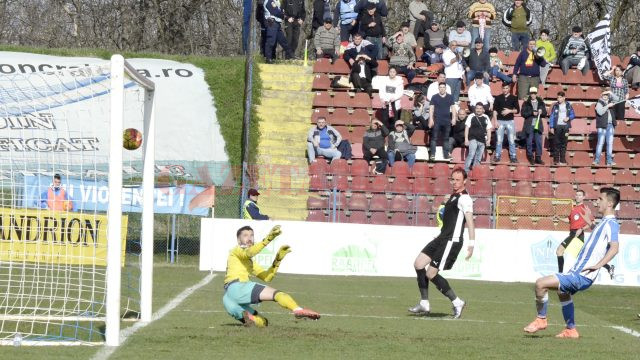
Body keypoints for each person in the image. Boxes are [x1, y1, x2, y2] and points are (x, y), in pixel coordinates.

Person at [523, 187, 620, 339]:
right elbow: (599, 237)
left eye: (600, 199)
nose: (597, 202)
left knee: (540, 284)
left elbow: (614, 248)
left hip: (582, 274)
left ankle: (541, 319)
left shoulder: (611, 223)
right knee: (563, 293)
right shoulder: (604, 223)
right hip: (578, 271)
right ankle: (571, 330)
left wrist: (599, 265)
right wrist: (590, 222)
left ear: (609, 203)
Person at [409, 168, 475, 318]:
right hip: (441, 238)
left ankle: (457, 302)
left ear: (465, 181)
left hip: (452, 240)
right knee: (419, 264)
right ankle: (424, 303)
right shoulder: (453, 196)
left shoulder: (465, 199)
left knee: (431, 273)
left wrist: (472, 244)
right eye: (453, 179)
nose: (455, 182)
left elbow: (470, 221)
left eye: (458, 180)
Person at [223, 225, 320, 327]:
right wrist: (268, 238)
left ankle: (250, 318)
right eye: (245, 235)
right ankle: (297, 309)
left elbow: (267, 277)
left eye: (252, 235)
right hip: (238, 288)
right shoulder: (237, 250)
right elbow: (249, 253)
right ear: (239, 240)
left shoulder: (248, 262)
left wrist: (277, 260)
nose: (249, 238)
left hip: (228, 298)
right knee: (277, 294)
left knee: (264, 323)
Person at [554, 189, 615, 279]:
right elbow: (569, 220)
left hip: (578, 234)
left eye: (579, 195)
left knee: (561, 251)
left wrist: (581, 229)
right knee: (565, 253)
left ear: (583, 197)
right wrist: (559, 218)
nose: (577, 196)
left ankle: (560, 274)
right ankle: (608, 267)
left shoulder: (584, 208)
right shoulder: (574, 208)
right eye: (576, 195)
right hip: (572, 234)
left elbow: (592, 221)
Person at [492, 82, 520, 163]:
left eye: (507, 88)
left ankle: (513, 156)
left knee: (511, 140)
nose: (505, 90)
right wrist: (495, 121)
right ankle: (497, 156)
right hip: (500, 121)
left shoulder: (514, 98)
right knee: (499, 140)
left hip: (510, 121)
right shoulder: (498, 98)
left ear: (509, 89)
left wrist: (509, 111)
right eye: (504, 88)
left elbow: (517, 110)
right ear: (502, 88)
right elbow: (495, 111)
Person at [429, 82, 456, 161]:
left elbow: (453, 108)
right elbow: (431, 109)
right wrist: (431, 119)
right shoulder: (434, 97)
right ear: (438, 88)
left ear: (445, 88)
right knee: (434, 138)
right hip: (437, 121)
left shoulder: (450, 97)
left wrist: (454, 118)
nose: (442, 88)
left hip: (447, 121)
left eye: (443, 87)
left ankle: (446, 155)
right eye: (440, 87)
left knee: (446, 139)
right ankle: (433, 154)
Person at [521, 86, 547, 165]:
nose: (533, 95)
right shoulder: (526, 103)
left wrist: (541, 112)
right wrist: (532, 113)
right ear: (529, 94)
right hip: (529, 125)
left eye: (534, 93)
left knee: (538, 142)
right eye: (531, 93)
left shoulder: (541, 102)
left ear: (536, 94)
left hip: (538, 125)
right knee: (529, 142)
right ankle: (530, 157)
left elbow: (545, 113)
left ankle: (538, 157)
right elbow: (523, 114)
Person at [548, 91, 575, 165]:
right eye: (558, 97)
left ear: (564, 98)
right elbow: (552, 116)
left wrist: (568, 118)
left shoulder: (568, 105)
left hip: (565, 127)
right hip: (557, 126)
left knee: (564, 144)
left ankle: (563, 160)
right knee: (556, 143)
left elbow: (573, 115)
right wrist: (551, 126)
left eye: (560, 97)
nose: (558, 99)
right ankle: (556, 160)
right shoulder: (555, 106)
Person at [464, 102, 492, 172]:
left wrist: (488, 140)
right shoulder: (471, 116)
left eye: (480, 108)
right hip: (473, 139)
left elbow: (488, 129)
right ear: (475, 109)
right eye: (477, 108)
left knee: (478, 158)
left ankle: (475, 171)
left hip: (482, 140)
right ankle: (466, 171)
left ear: (483, 110)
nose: (478, 110)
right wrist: (466, 139)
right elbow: (467, 128)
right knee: (471, 155)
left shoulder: (486, 117)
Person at [593, 90, 617, 166]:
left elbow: (617, 99)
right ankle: (597, 160)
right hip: (602, 126)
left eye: (607, 95)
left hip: (610, 125)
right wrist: (607, 106)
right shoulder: (599, 103)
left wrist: (610, 92)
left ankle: (609, 161)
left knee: (610, 144)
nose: (606, 96)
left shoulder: (611, 102)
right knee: (600, 143)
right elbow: (600, 112)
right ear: (601, 95)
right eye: (604, 95)